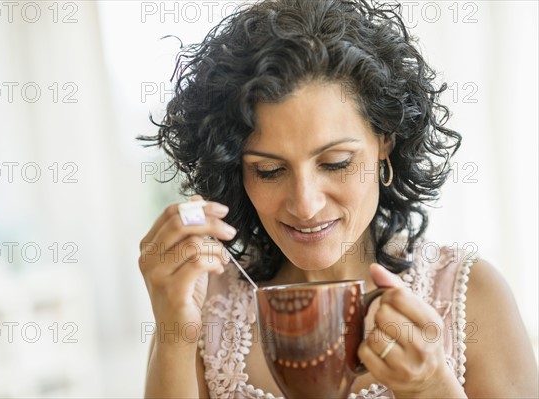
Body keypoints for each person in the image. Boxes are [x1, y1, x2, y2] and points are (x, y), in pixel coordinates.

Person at [138, 0, 538, 397]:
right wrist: (175, 334)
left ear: (385, 142)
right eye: (269, 171)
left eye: (336, 163)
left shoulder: (470, 296)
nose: (306, 205)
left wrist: (432, 387)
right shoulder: (206, 305)